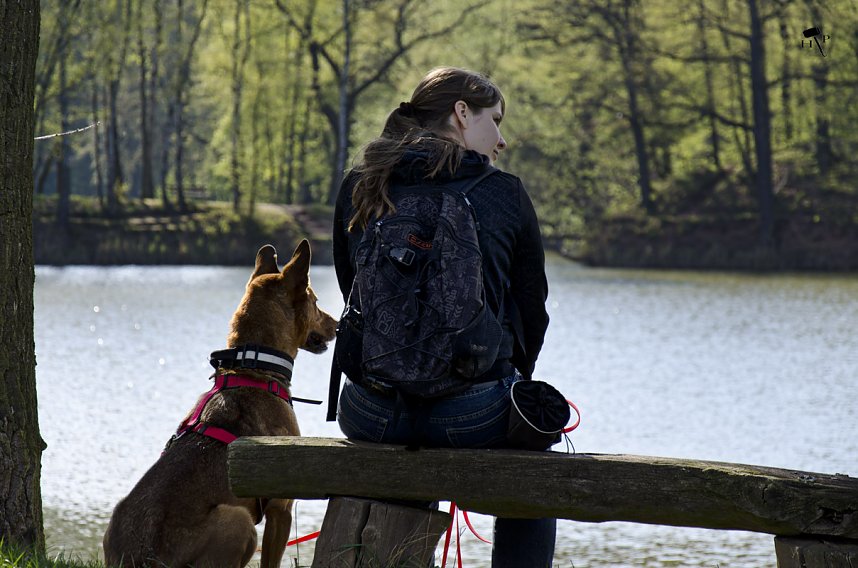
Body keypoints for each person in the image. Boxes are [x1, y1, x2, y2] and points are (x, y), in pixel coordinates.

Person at [331, 66, 554, 567]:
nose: (500, 139)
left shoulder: (359, 186)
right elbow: (531, 314)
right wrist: (504, 387)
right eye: (493, 120)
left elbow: (352, 290)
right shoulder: (505, 194)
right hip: (471, 415)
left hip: (369, 413)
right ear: (460, 114)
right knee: (540, 462)